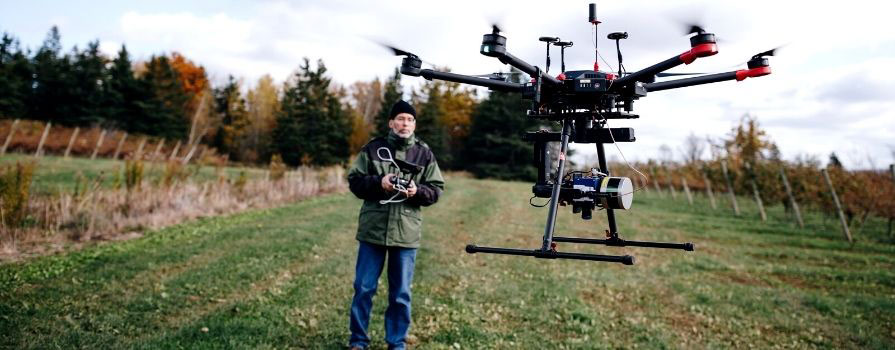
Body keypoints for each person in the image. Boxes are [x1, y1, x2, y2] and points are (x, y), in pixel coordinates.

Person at [346, 100, 445, 350]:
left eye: (410, 120)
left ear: (414, 124)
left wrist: (416, 190)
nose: (405, 124)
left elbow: (436, 190)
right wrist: (380, 182)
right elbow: (355, 182)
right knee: (363, 288)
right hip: (373, 231)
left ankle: (396, 343)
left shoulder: (424, 153)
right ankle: (358, 341)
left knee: (401, 294)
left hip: (406, 233)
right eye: (400, 119)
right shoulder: (373, 148)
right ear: (391, 123)